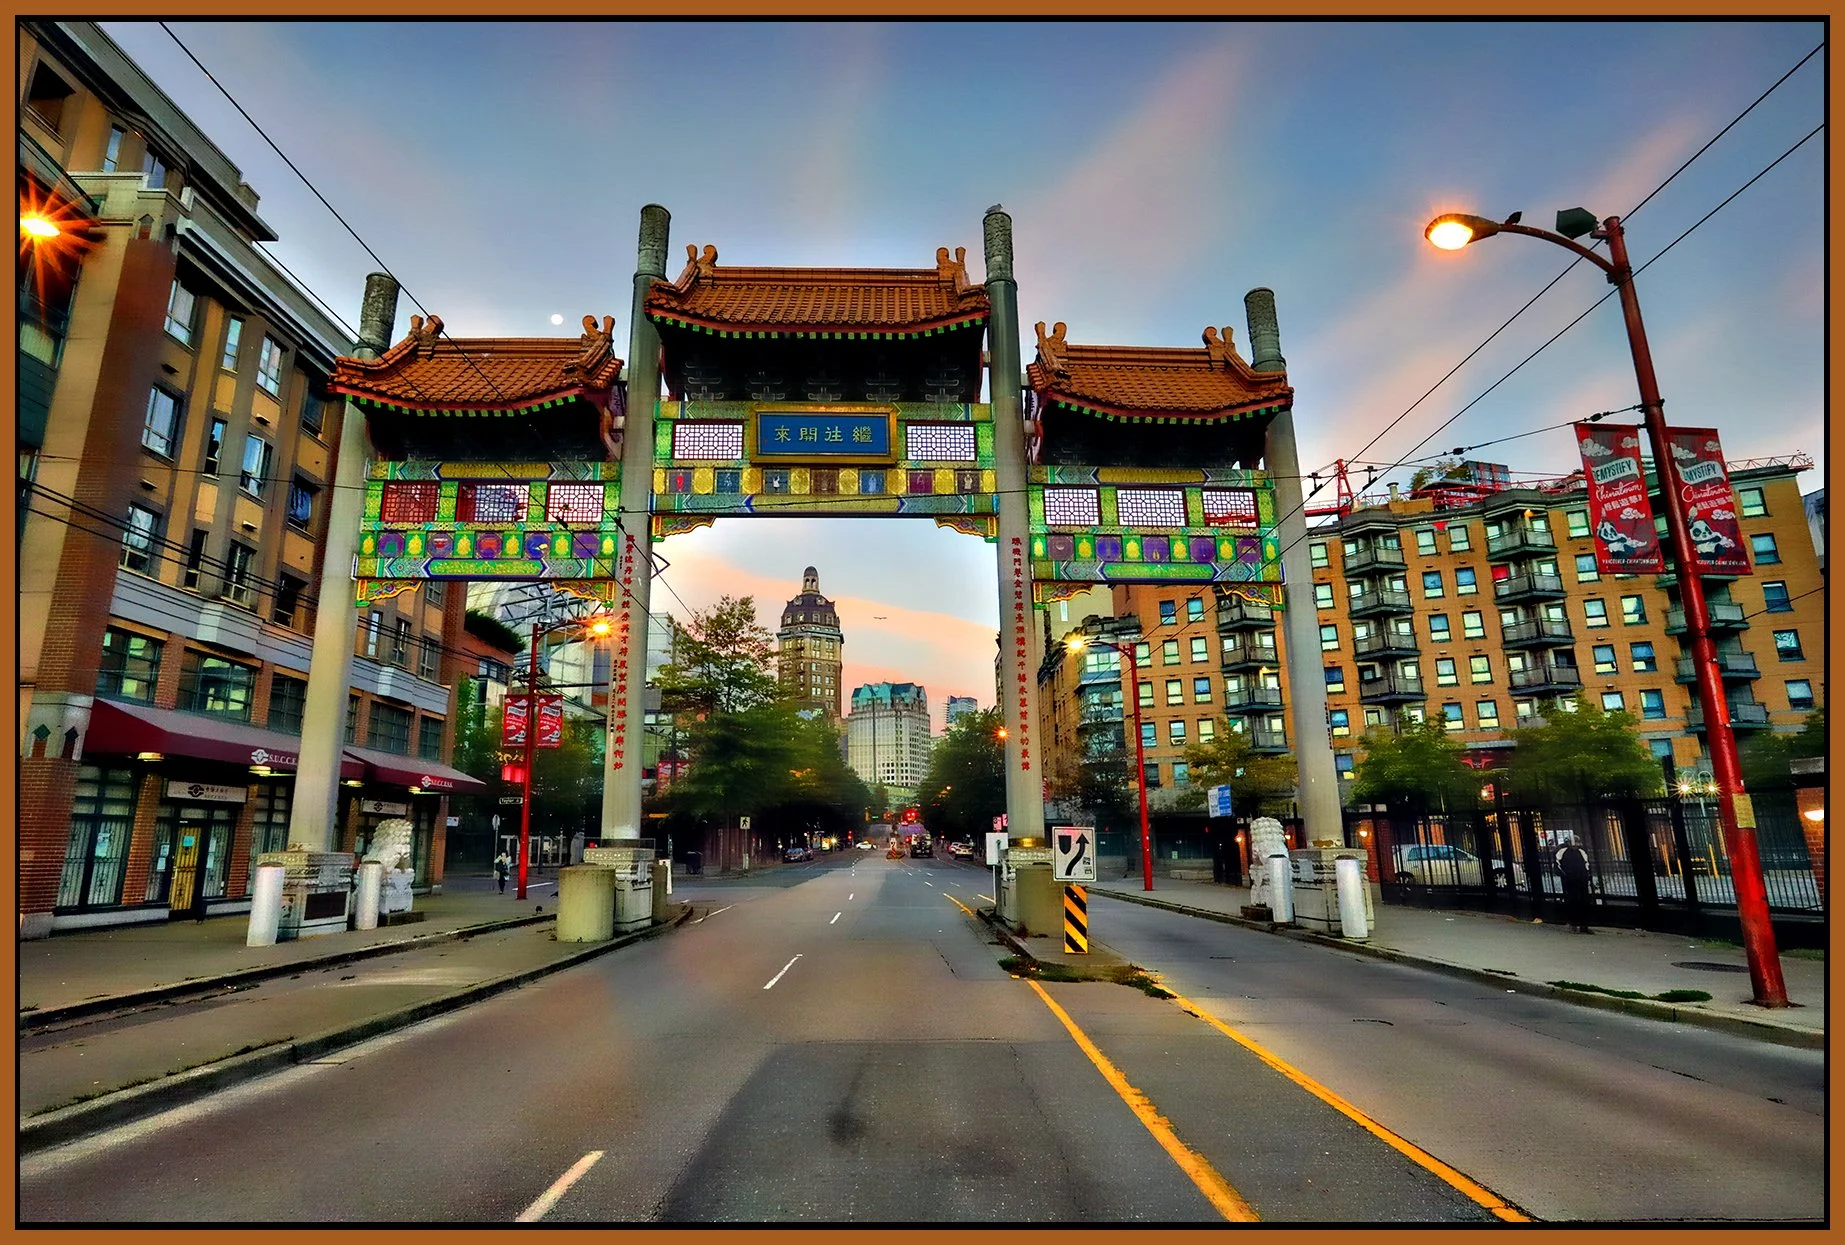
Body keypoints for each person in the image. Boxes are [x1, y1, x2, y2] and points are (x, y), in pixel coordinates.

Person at [1554, 837, 1594, 933]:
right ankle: (1574, 924)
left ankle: (1584, 926)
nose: (1576, 844)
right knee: (1573, 902)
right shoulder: (1562, 852)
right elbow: (1557, 865)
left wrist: (1587, 876)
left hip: (1582, 881)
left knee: (1584, 902)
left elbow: (1587, 864)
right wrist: (1565, 876)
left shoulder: (1582, 852)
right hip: (1570, 882)